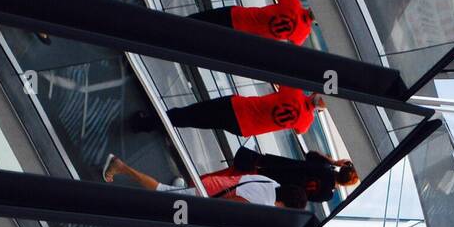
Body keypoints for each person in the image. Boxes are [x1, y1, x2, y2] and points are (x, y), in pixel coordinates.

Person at [102, 155, 308, 208]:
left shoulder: (268, 182)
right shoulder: (262, 203)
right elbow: (231, 204)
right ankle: (121, 167)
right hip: (208, 196)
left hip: (214, 184)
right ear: (284, 204)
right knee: (163, 192)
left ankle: (122, 170)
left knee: (169, 193)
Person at [132, 86, 324, 139]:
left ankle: (147, 123)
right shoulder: (306, 122)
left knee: (191, 112)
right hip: (242, 127)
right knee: (195, 120)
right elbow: (299, 131)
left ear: (315, 92)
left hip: (237, 107)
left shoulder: (294, 91)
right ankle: (154, 124)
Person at [189, 0, 315, 46]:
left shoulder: (293, 4)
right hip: (242, 39)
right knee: (202, 41)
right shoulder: (303, 33)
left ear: (311, 7)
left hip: (235, 16)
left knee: (193, 22)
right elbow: (293, 46)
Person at [226, 146, 357, 204]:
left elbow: (311, 154)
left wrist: (333, 162)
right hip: (275, 190)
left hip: (272, 166)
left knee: (228, 177)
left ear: (343, 167)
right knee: (236, 191)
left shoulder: (325, 167)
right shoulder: (327, 194)